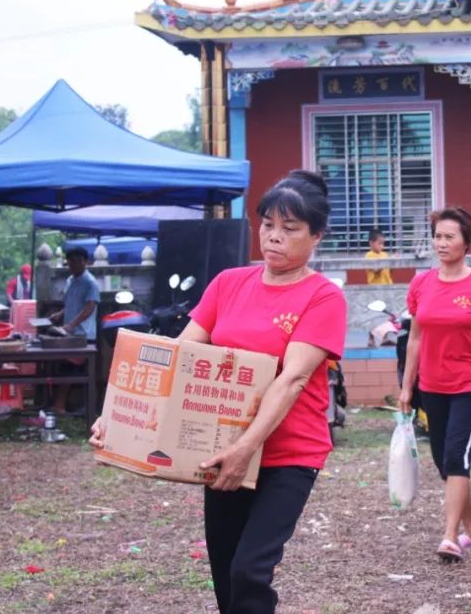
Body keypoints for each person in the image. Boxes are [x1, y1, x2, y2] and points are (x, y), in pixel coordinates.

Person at [91, 170, 346, 614]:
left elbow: (293, 380)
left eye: (290, 229)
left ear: (316, 236)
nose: (274, 238)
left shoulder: (323, 298)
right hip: (218, 445)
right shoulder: (229, 284)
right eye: (268, 225)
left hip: (289, 454)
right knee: (226, 574)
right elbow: (179, 356)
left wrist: (247, 448)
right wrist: (117, 417)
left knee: (250, 570)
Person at [398, 206, 471, 562]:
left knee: (456, 455)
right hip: (432, 384)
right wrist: (407, 387)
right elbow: (415, 338)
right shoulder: (422, 283)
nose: (441, 243)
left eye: (450, 236)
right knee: (442, 460)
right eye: (437, 236)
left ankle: (450, 537)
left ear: (467, 242)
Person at [49, 247, 100, 414]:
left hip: (83, 334)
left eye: (77, 261)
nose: (74, 265)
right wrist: (59, 314)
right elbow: (70, 304)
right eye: (70, 262)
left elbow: (89, 307)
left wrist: (72, 324)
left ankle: (60, 405)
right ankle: (60, 405)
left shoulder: (90, 282)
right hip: (68, 333)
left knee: (70, 370)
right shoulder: (70, 280)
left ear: (84, 262)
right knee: (64, 368)